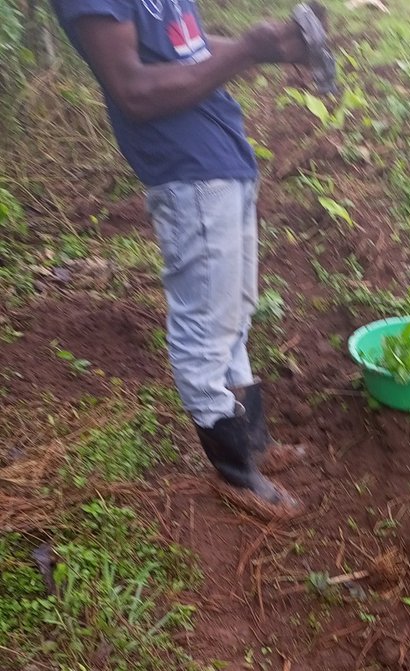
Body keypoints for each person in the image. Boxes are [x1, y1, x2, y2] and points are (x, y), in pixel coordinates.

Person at [50, 0, 334, 506]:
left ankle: (253, 443)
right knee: (205, 326)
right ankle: (233, 473)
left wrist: (265, 48)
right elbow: (134, 90)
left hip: (223, 158)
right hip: (188, 171)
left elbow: (192, 52)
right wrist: (248, 48)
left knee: (233, 314)